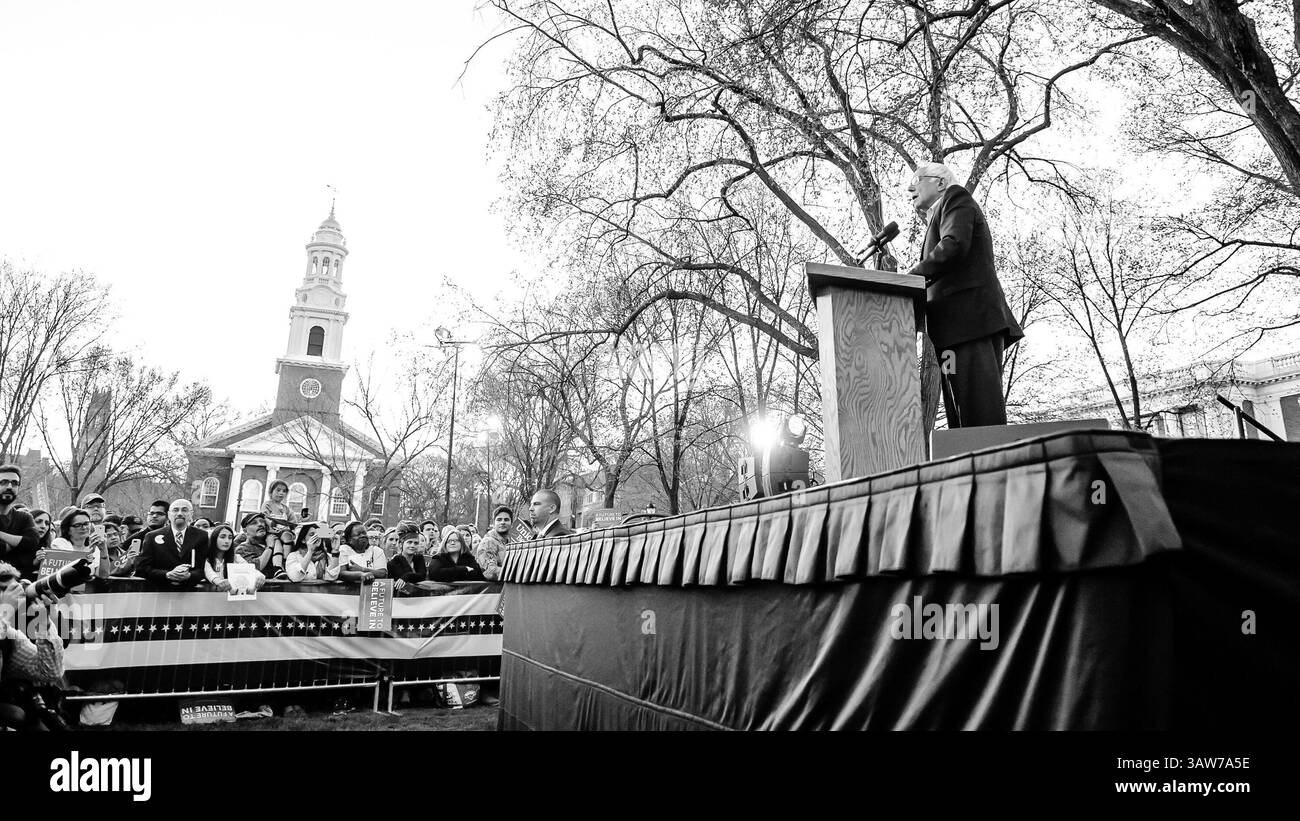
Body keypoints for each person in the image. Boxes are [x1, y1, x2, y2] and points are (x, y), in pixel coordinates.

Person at [903, 162, 1023, 428]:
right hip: (950, 334)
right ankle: (971, 467)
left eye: (916, 179)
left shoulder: (956, 198)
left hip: (971, 325)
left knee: (980, 412)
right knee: (961, 416)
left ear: (941, 183)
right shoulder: (935, 216)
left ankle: (990, 468)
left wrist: (910, 279)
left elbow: (954, 245)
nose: (910, 188)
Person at [0, 561, 65, 729]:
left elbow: (51, 671)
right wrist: (5, 611)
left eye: (13, 590)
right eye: (2, 589)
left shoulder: (9, 635)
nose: (11, 596)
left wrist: (43, 623)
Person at [134, 499, 206, 589]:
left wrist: (189, 575)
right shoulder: (151, 537)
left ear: (191, 514)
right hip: (159, 591)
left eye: (184, 510)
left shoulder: (202, 536)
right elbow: (141, 568)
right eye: (175, 510)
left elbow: (204, 567)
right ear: (168, 514)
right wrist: (167, 574)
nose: (179, 513)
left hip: (189, 592)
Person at [0, 465, 40, 581]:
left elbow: (32, 542)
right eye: (4, 482)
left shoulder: (25, 517)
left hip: (21, 587)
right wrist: (19, 544)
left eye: (14, 483)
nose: (9, 487)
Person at [201, 524, 265, 592]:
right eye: (222, 537)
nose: (227, 541)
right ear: (214, 539)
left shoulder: (236, 557)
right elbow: (209, 573)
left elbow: (249, 568)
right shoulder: (205, 558)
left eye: (230, 538)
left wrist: (260, 576)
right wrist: (219, 581)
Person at [476, 505, 513, 582]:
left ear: (511, 523)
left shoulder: (510, 543)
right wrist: (518, 573)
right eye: (499, 520)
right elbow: (490, 572)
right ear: (494, 523)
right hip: (492, 591)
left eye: (506, 520)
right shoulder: (488, 542)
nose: (502, 522)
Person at [387, 525, 426, 593]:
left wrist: (407, 576)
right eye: (409, 542)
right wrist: (401, 558)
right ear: (401, 544)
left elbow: (422, 576)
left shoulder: (419, 558)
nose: (412, 545)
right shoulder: (392, 563)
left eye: (416, 543)